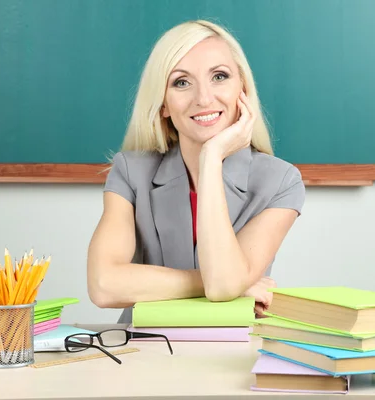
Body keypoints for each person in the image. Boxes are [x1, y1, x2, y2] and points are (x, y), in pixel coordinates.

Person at [87, 19, 305, 324]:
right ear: (163, 104)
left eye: (219, 76)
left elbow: (224, 285)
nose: (203, 98)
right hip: (144, 350)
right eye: (181, 82)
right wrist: (219, 282)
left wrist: (212, 157)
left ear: (242, 88)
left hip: (234, 353)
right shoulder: (130, 171)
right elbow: (103, 286)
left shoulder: (281, 181)